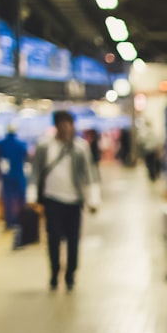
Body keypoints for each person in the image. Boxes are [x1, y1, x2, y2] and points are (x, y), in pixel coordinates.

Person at [29, 110, 100, 291]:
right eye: (62, 124)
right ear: (56, 126)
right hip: (51, 199)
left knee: (73, 240)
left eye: (69, 124)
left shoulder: (80, 147)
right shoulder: (44, 146)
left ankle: (70, 274)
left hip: (74, 201)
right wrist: (31, 196)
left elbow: (89, 173)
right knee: (53, 238)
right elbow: (35, 172)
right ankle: (54, 272)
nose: (66, 128)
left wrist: (93, 199)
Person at [0, 127, 28, 231]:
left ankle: (9, 222)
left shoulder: (1, 144)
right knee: (21, 199)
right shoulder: (21, 145)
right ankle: (21, 221)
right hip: (19, 174)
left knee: (8, 200)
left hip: (7, 175)